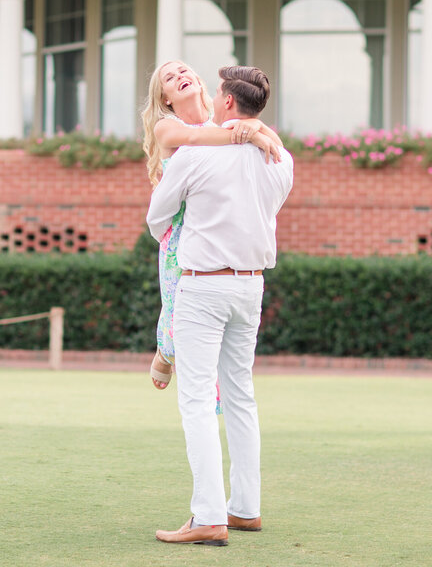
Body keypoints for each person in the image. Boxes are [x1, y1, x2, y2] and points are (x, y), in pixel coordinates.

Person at [146, 65, 294, 547]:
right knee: (241, 396)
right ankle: (245, 508)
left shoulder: (193, 155)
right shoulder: (280, 158)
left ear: (226, 102)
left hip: (203, 286)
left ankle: (208, 514)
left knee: (195, 402)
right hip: (251, 287)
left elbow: (157, 216)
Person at [139, 60, 282, 391]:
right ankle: (166, 350)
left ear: (200, 83)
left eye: (184, 71)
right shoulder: (167, 127)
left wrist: (255, 129)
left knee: (214, 337)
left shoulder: (221, 121)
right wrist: (249, 134)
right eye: (170, 79)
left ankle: (199, 381)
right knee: (179, 306)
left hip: (220, 223)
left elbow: (269, 134)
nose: (180, 77)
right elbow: (194, 138)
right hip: (180, 231)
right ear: (166, 98)